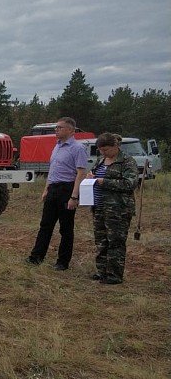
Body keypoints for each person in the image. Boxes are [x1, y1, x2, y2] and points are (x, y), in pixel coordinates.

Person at [26, 117, 89, 270]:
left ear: (70, 130)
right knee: (45, 225)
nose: (56, 130)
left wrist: (74, 196)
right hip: (53, 189)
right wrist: (46, 189)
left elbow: (80, 173)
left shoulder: (77, 148)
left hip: (66, 189)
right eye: (56, 127)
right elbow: (52, 170)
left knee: (65, 228)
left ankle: (62, 262)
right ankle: (36, 257)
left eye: (60, 127)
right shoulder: (57, 146)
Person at [87, 133, 138, 284]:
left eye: (107, 150)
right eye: (101, 150)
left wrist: (105, 181)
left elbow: (130, 184)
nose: (104, 153)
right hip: (99, 207)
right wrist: (91, 176)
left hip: (118, 209)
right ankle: (102, 271)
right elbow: (94, 174)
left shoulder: (127, 162)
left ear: (116, 146)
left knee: (115, 241)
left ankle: (114, 275)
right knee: (101, 241)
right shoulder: (100, 161)